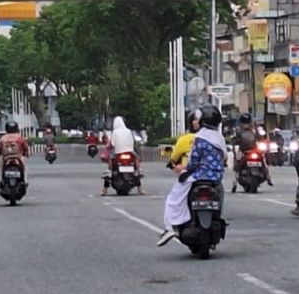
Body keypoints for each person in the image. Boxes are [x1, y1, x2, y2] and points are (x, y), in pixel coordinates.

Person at [157, 105, 227, 247]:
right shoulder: (220, 138)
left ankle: (170, 227)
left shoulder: (200, 137)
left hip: (199, 175)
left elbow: (194, 161)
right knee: (221, 194)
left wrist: (184, 169)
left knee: (174, 198)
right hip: (216, 177)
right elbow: (224, 158)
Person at [102, 116, 143, 196]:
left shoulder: (115, 132)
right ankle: (140, 185)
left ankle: (105, 190)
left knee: (110, 162)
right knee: (136, 161)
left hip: (118, 153)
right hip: (130, 152)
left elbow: (113, 143)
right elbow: (132, 142)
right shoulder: (129, 131)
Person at [231, 113, 271, 192]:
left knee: (263, 159)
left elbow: (260, 137)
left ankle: (268, 176)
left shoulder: (253, 129)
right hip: (244, 150)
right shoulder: (239, 130)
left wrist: (263, 142)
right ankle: (235, 181)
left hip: (253, 150)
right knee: (237, 164)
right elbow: (235, 140)